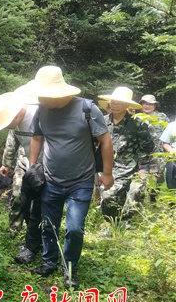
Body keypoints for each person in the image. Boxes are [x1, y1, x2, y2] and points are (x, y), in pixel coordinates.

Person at [26, 66, 114, 288]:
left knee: (74, 228)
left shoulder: (87, 109)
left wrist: (107, 173)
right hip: (50, 179)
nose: (40, 98)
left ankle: (70, 269)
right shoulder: (41, 110)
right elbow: (36, 138)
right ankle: (49, 262)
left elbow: (105, 141)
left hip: (81, 181)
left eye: (43, 94)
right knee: (49, 225)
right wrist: (32, 167)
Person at [0, 90, 43, 264]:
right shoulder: (11, 119)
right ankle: (14, 230)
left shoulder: (39, 113)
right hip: (24, 161)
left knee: (39, 204)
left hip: (45, 165)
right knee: (18, 196)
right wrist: (6, 163)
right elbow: (12, 140)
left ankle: (40, 238)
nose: (7, 126)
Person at [97, 87, 155, 226]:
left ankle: (124, 223)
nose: (115, 105)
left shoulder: (137, 124)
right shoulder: (102, 121)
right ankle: (111, 223)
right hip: (105, 166)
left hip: (128, 167)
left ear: (127, 105)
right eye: (113, 102)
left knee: (123, 195)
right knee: (107, 197)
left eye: (120, 103)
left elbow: (147, 148)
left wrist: (143, 169)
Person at [160, 120, 176, 189]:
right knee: (172, 186)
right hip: (174, 159)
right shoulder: (171, 126)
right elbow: (165, 143)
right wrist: (172, 151)